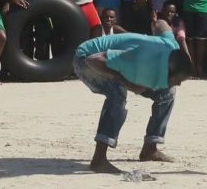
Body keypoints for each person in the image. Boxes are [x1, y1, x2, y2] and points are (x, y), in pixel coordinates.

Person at [74, 20, 192, 174]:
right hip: (85, 58)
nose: (180, 84)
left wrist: (155, 23)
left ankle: (150, 148)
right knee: (117, 95)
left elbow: (162, 24)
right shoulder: (140, 59)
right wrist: (128, 83)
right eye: (178, 79)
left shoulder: (171, 46)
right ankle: (99, 160)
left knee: (168, 93)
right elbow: (94, 60)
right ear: (169, 69)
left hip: (116, 62)